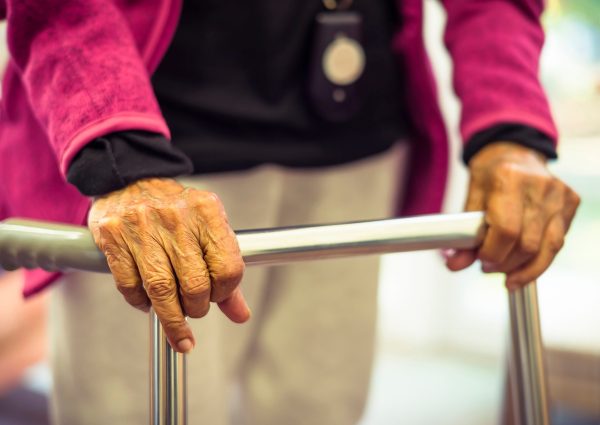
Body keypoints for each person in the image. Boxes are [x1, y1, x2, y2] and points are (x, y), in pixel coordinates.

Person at [0, 0, 580, 424]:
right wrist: (119, 155)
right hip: (155, 152)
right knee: (136, 413)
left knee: (320, 408)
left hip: (353, 152)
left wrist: (511, 129)